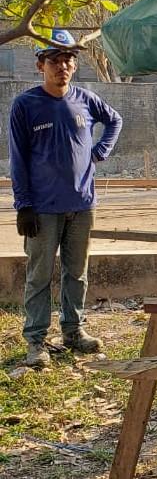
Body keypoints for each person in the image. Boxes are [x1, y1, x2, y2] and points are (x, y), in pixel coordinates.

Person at [9, 29, 123, 367]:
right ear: (40, 65)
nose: (63, 66)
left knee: (77, 272)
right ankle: (36, 341)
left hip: (82, 205)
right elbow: (18, 159)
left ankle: (74, 330)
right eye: (55, 60)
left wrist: (99, 151)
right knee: (39, 275)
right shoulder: (25, 105)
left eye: (68, 60)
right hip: (42, 209)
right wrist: (23, 205)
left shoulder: (85, 100)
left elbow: (114, 120)